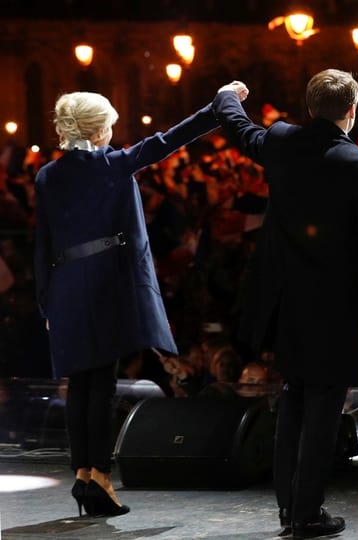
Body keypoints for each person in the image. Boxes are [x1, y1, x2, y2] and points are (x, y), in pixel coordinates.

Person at [213, 71, 358, 539]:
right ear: (352, 110)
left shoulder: (281, 141)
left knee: (294, 401)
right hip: (337, 307)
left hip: (289, 303)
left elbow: (240, 129)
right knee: (322, 408)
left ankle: (289, 509)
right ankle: (306, 514)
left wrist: (227, 98)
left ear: (309, 105)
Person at [33, 88, 231, 516]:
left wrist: (46, 303)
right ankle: (99, 477)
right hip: (103, 283)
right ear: (99, 129)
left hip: (65, 285)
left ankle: (84, 475)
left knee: (80, 386)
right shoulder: (111, 164)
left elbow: (41, 244)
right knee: (100, 386)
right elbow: (169, 140)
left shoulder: (47, 175)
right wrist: (218, 106)